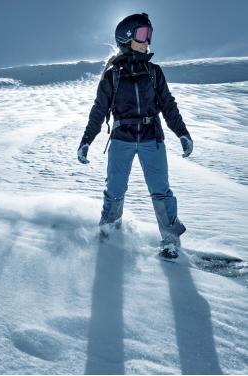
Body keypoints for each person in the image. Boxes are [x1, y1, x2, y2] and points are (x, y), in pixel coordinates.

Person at [77, 13, 193, 259]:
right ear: (126, 37)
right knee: (115, 189)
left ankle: (170, 242)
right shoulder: (113, 76)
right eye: (142, 34)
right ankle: (108, 234)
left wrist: (182, 133)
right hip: (122, 139)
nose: (147, 41)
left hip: (153, 138)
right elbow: (99, 111)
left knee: (161, 190)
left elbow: (169, 106)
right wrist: (87, 140)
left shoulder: (154, 72)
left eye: (149, 35)